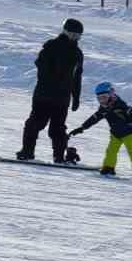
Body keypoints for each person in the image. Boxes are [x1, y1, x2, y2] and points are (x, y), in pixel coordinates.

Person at [19, 18, 84, 163]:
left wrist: (76, 97)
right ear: (65, 31)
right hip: (44, 94)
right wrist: (52, 79)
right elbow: (40, 66)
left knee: (58, 128)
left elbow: (77, 77)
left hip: (62, 97)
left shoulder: (77, 53)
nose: (75, 37)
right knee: (35, 123)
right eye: (72, 34)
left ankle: (59, 157)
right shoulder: (51, 46)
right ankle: (27, 152)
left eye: (78, 35)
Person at [68, 82, 132, 179]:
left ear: (111, 95)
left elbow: (131, 111)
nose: (102, 101)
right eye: (99, 99)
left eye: (104, 97)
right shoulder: (103, 109)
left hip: (128, 133)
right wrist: (82, 128)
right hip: (115, 134)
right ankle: (109, 167)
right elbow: (94, 118)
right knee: (111, 151)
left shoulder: (120, 105)